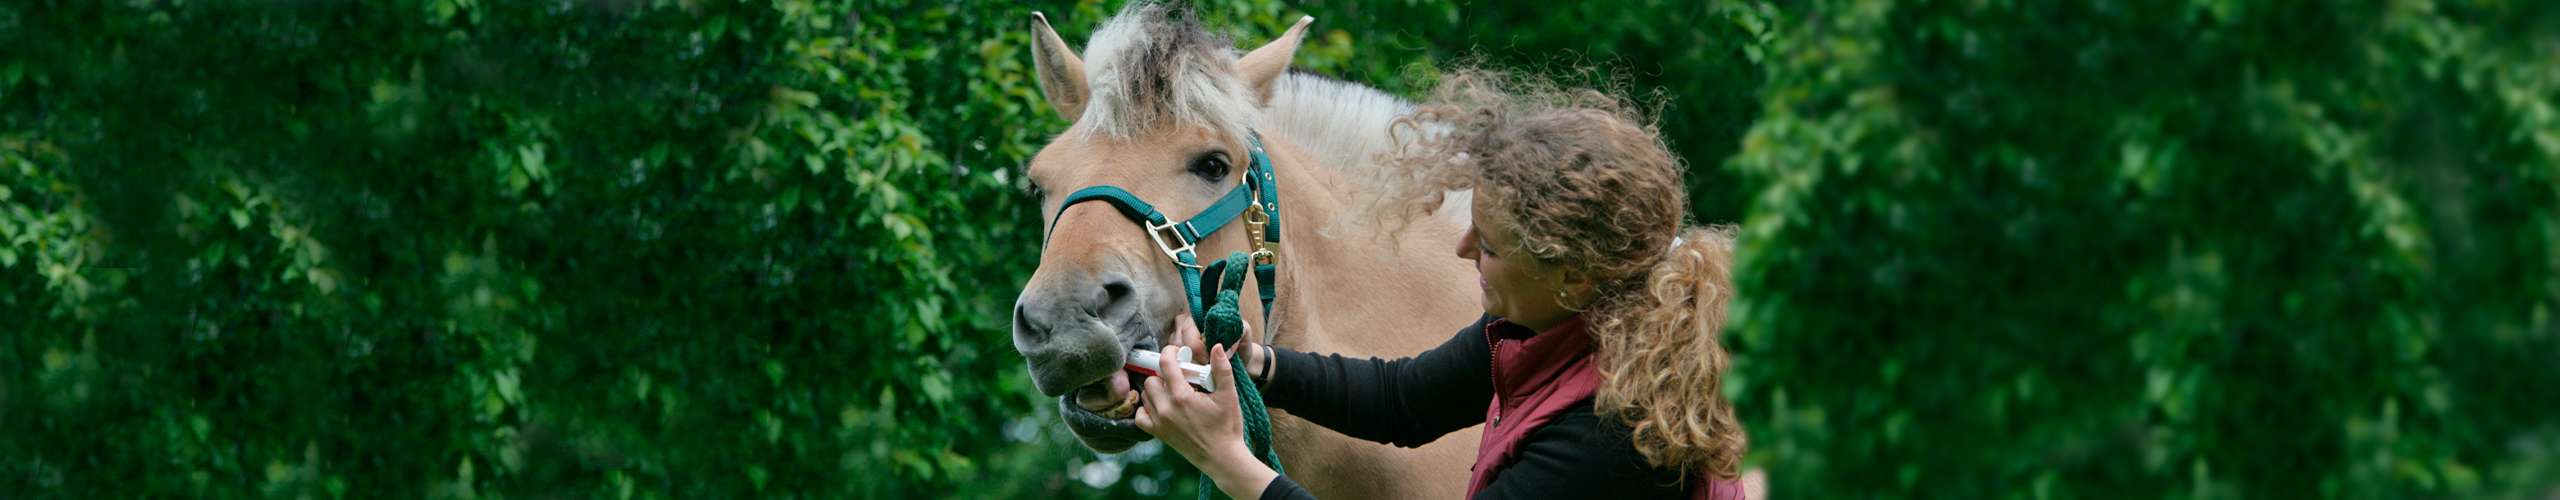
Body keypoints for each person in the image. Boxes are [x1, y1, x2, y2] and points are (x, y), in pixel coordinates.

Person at [1133, 71, 1750, 499]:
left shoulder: (1615, 433)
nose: (1465, 249)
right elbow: (1406, 399)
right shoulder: (1557, 321)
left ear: (1573, 275)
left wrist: (1229, 462)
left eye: (1492, 245)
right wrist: (1258, 363)